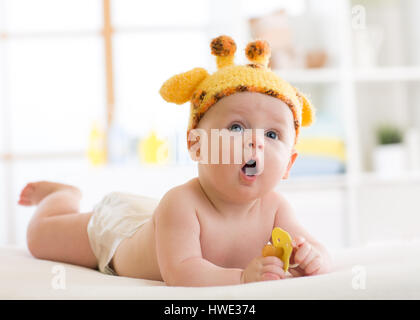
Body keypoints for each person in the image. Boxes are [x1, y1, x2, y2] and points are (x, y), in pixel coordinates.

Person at [18, 35, 332, 287]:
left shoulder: (277, 208)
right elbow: (182, 273)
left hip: (151, 218)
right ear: (196, 145)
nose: (255, 142)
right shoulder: (182, 204)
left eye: (273, 135)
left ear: (289, 165)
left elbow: (321, 253)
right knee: (40, 238)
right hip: (117, 232)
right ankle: (62, 197)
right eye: (237, 127)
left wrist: (313, 259)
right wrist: (241, 278)